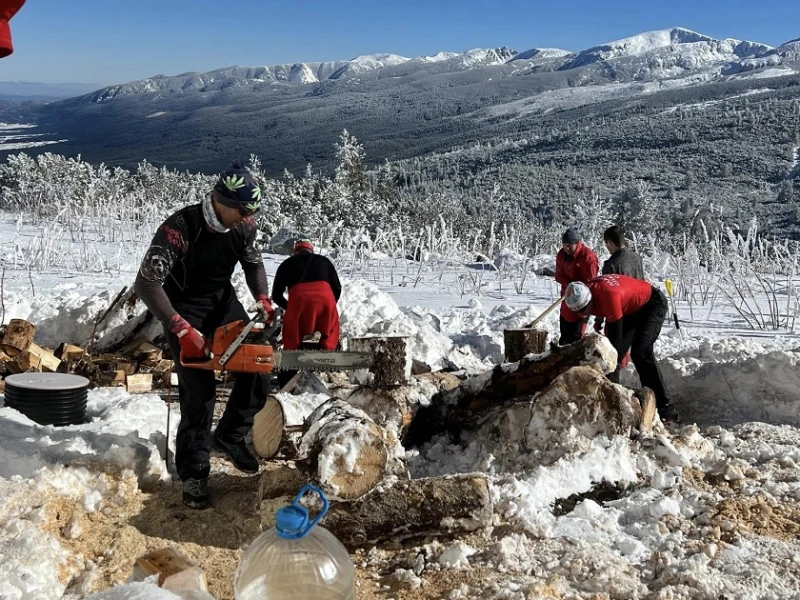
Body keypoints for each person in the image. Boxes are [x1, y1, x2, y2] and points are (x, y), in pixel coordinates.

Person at [134, 163, 275, 509]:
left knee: (258, 364)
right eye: (242, 210)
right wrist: (180, 328)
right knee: (199, 393)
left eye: (252, 211)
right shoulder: (179, 229)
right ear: (221, 200)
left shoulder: (244, 226)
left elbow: (253, 264)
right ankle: (194, 471)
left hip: (222, 302)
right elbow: (147, 283)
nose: (247, 217)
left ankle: (229, 434)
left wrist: (262, 297)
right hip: (181, 307)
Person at [564, 275, 680, 423]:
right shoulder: (581, 290)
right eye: (578, 312)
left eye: (585, 309)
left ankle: (666, 408)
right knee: (612, 357)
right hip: (629, 308)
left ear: (590, 298)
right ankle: (613, 402)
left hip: (651, 303)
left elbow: (615, 345)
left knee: (640, 353)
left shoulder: (609, 296)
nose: (583, 315)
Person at [272, 238, 341, 353]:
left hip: (299, 300)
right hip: (325, 298)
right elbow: (337, 287)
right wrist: (330, 305)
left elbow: (276, 295)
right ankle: (330, 352)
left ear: (295, 251)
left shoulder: (287, 263)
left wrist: (289, 308)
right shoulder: (324, 260)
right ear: (311, 250)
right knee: (331, 327)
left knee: (292, 330)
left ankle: (292, 358)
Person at [595, 225, 645, 334]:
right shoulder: (637, 258)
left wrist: (598, 320)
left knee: (616, 348)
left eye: (606, 243)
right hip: (638, 312)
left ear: (610, 243)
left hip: (619, 317)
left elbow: (605, 295)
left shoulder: (611, 265)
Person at [555, 228, 599, 345]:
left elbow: (590, 281)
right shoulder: (561, 255)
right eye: (564, 245)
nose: (566, 248)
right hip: (566, 298)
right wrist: (568, 286)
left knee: (576, 337)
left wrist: (575, 287)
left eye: (569, 245)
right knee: (564, 334)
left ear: (576, 243)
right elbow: (558, 275)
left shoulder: (588, 257)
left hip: (581, 302)